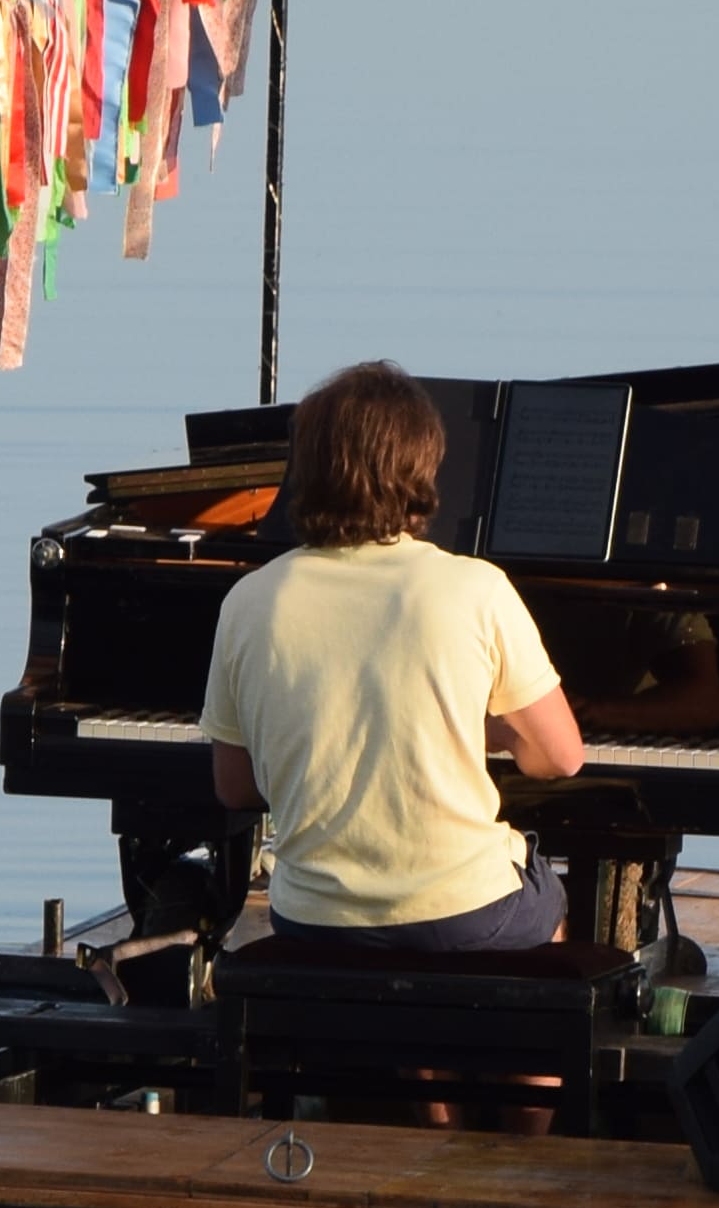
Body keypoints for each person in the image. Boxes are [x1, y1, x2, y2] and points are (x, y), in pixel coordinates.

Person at [200, 359, 594, 955]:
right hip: (462, 912)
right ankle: (505, 1044)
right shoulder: (476, 587)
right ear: (422, 466)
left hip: (311, 918)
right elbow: (561, 758)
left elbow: (235, 788)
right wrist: (480, 731)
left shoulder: (248, 599)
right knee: (549, 897)